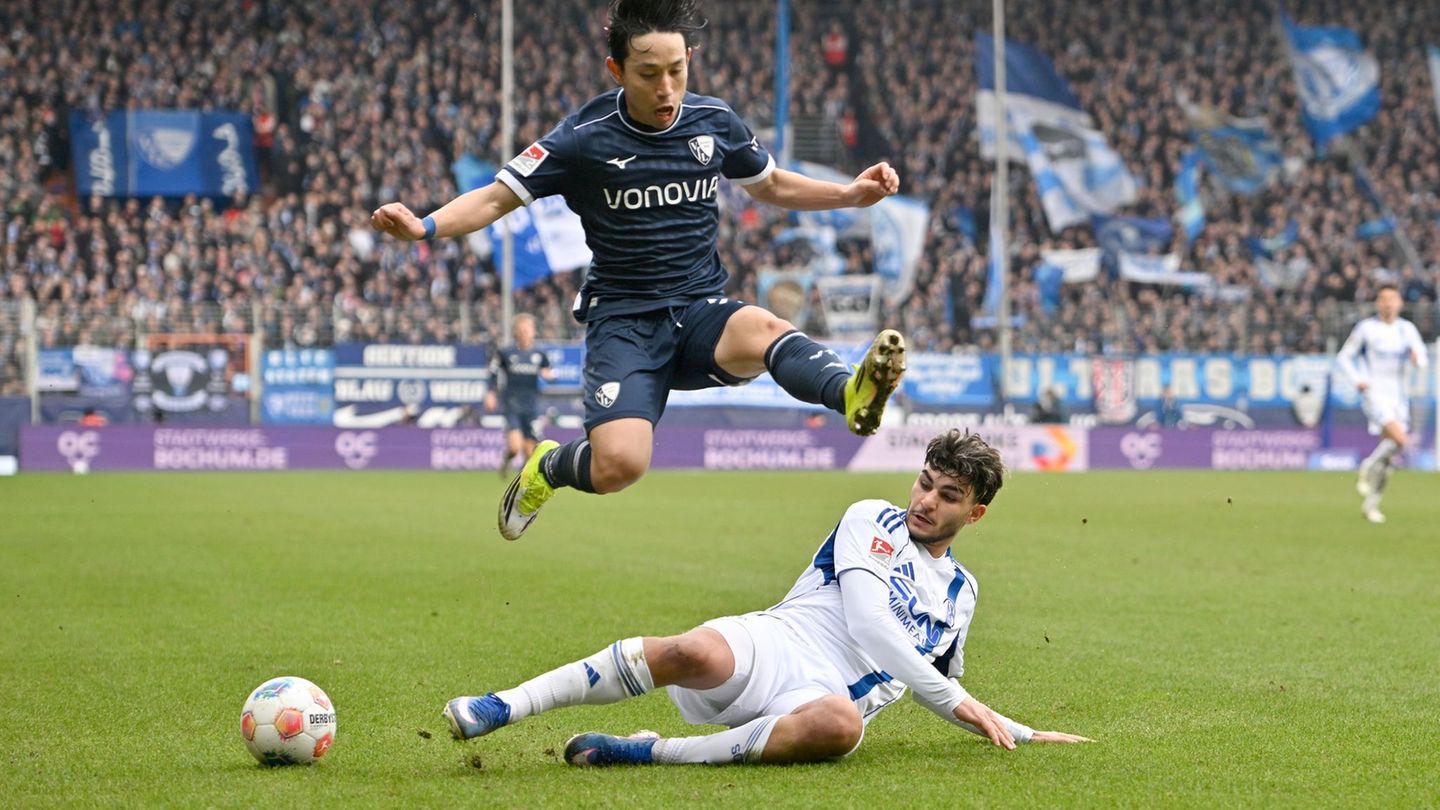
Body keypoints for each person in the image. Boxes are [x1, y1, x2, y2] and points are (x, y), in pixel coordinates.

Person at [372, 0, 908, 541]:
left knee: (767, 328)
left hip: (700, 309)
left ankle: (851, 393)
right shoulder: (583, 137)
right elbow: (494, 199)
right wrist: (425, 227)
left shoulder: (714, 122)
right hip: (625, 322)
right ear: (617, 71)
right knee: (620, 467)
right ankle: (550, 467)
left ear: (690, 59)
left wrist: (848, 194)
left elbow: (769, 183)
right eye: (649, 74)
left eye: (677, 71)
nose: (666, 89)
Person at [442, 430, 1091, 766]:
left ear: (973, 515)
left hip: (820, 701)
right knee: (691, 650)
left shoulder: (962, 594)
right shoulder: (872, 518)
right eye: (924, 482)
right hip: (779, 643)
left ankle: (644, 752)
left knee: (842, 729)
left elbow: (945, 687)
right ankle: (503, 705)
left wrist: (1023, 733)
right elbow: (869, 626)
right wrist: (956, 699)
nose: (924, 500)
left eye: (947, 496)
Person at [1337, 283, 1429, 524]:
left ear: (1399, 303)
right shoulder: (1367, 328)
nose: (1388, 303)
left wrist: (1417, 359)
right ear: (1378, 303)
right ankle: (1367, 465)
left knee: (1389, 460)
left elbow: (1422, 356)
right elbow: (1344, 356)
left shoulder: (1406, 330)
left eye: (1392, 298)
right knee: (1400, 440)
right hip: (1374, 393)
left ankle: (1371, 505)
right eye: (1383, 298)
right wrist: (1358, 379)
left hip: (1398, 397)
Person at [486, 314, 557, 477]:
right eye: (521, 330)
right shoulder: (506, 352)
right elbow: (493, 372)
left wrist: (550, 376)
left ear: (533, 331)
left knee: (531, 454)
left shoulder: (539, 354)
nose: (525, 332)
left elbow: (549, 372)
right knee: (515, 447)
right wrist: (490, 393)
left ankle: (521, 483)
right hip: (512, 405)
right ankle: (506, 459)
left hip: (531, 407)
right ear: (515, 332)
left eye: (528, 329)